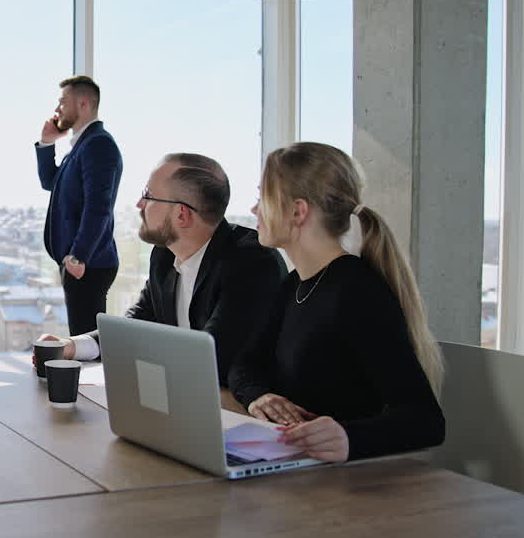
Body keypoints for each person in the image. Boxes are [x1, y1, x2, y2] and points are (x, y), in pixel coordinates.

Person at [229, 142, 446, 463]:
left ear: (298, 211)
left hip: (346, 484)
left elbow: (425, 421)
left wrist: (348, 437)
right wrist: (259, 397)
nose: (254, 209)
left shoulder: (358, 292)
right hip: (295, 466)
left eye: (264, 198)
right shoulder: (294, 285)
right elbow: (244, 366)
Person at [38, 153, 286, 402]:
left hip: (237, 411)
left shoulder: (251, 262)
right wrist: (73, 346)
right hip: (185, 402)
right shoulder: (164, 256)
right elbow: (137, 324)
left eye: (148, 195)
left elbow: (211, 358)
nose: (139, 204)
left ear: (181, 215)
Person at [35, 75, 123, 335]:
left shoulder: (98, 145)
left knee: (87, 345)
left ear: (83, 104)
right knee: (82, 339)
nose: (57, 109)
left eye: (63, 102)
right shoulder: (82, 146)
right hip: (80, 262)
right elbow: (50, 181)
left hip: (88, 264)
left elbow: (99, 207)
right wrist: (47, 142)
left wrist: (79, 255)